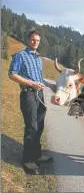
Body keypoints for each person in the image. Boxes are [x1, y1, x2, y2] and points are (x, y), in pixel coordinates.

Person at [8, 29, 53, 175]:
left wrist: (51, 85)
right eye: (33, 39)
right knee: (31, 127)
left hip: (39, 94)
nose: (35, 42)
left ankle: (37, 155)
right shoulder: (21, 55)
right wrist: (30, 83)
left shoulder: (38, 58)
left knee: (39, 125)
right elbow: (12, 74)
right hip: (28, 95)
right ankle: (28, 160)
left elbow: (39, 78)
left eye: (38, 40)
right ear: (28, 40)